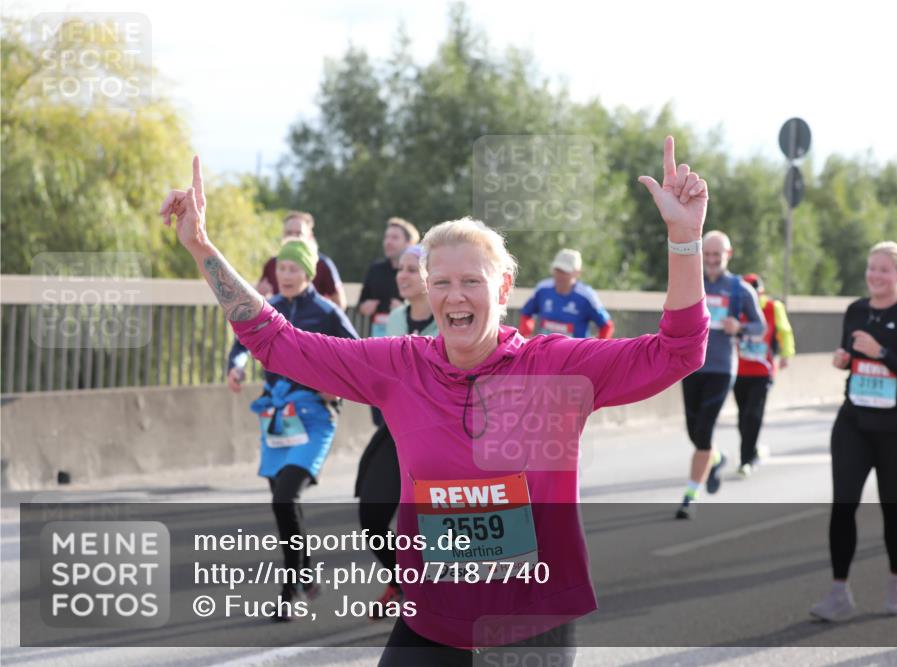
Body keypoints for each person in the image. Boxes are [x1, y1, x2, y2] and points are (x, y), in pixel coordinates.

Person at [161, 137, 710, 664]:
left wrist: (684, 241)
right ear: (426, 286)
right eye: (440, 282)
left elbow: (678, 352)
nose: (454, 296)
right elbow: (278, 343)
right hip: (434, 612)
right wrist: (201, 248)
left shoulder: (556, 365)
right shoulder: (399, 365)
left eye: (471, 281)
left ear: (503, 287)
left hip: (531, 613)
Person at [226, 238, 359, 621]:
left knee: (285, 497)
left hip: (315, 415)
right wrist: (236, 365)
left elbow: (357, 352)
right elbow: (241, 343)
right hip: (277, 415)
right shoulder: (270, 310)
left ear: (308, 272)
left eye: (293, 269)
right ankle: (306, 573)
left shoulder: (326, 311)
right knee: (284, 504)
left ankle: (290, 592)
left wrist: (333, 387)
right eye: (280, 269)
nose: (285, 276)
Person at [809, 241, 897, 622]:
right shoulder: (855, 311)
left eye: (884, 270)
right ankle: (838, 593)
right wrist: (843, 360)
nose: (875, 275)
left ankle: (896, 582)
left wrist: (881, 353)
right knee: (843, 504)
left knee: (892, 508)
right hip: (854, 423)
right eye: (871, 268)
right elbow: (850, 357)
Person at [354, 244, 438, 619]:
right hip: (396, 431)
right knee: (372, 517)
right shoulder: (394, 320)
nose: (401, 276)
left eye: (410, 269)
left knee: (427, 522)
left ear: (429, 277)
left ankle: (433, 596)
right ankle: (402, 580)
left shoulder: (448, 318)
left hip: (438, 434)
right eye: (399, 269)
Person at [676, 230, 765, 519]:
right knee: (693, 430)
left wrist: (738, 328)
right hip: (691, 366)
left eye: (717, 255)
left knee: (704, 430)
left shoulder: (740, 289)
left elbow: (759, 326)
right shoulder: (693, 282)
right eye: (709, 255)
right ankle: (715, 457)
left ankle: (691, 494)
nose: (712, 260)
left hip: (722, 368)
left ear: (728, 255)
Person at [733, 273, 795, 477]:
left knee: (753, 414)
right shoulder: (735, 307)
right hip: (739, 371)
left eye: (755, 291)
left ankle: (745, 460)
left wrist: (786, 354)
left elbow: (784, 331)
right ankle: (752, 450)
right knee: (743, 417)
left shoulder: (772, 307)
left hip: (763, 371)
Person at [256, 211, 346, 309]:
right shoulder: (272, 263)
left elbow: (340, 304)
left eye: (299, 233)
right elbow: (261, 297)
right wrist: (261, 296)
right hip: (279, 320)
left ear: (309, 236)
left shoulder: (323, 264)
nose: (293, 237)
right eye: (289, 233)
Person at [518, 249, 614, 339]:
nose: (560, 275)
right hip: (545, 354)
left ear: (577, 273)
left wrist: (595, 352)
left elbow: (606, 326)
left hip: (576, 356)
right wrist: (526, 338)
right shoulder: (542, 289)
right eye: (557, 270)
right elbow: (526, 313)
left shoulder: (587, 296)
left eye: (565, 271)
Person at [358, 217, 420, 338]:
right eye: (386, 237)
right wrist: (364, 307)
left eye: (394, 237)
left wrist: (405, 310)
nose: (388, 242)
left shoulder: (423, 269)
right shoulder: (375, 269)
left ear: (409, 243)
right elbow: (360, 304)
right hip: (377, 337)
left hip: (409, 338)